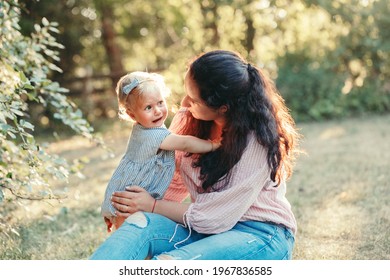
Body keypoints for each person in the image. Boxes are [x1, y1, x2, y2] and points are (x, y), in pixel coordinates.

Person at [90, 50, 300, 260]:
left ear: (222, 108)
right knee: (138, 225)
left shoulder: (257, 141)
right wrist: (129, 209)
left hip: (258, 234)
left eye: (194, 99)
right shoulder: (190, 117)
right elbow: (173, 179)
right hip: (203, 230)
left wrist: (153, 206)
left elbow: (216, 217)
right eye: (186, 92)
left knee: (169, 264)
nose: (185, 102)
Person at [101, 71, 220, 232]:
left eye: (160, 103)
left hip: (129, 189)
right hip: (133, 195)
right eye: (148, 107)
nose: (157, 111)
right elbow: (184, 143)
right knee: (134, 231)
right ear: (131, 114)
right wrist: (212, 145)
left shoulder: (144, 128)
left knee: (132, 229)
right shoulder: (153, 135)